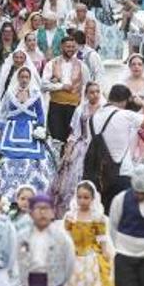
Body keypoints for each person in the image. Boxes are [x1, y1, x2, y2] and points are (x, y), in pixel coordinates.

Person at [87, 84, 144, 213]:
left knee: (103, 217)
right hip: (121, 173)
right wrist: (142, 103)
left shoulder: (93, 117)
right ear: (125, 101)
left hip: (98, 176)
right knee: (122, 218)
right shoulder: (125, 115)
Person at [0, 66, 55, 199]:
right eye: (22, 77)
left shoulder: (35, 94)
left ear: (30, 79)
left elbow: (40, 114)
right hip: (12, 128)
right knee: (5, 156)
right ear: (18, 78)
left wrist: (39, 128)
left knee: (34, 159)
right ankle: (7, 189)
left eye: (27, 77)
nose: (24, 80)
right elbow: (3, 112)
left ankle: (33, 188)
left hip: (30, 129)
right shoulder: (10, 93)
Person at [50, 82, 103, 218]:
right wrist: (68, 151)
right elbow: (75, 133)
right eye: (92, 92)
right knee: (73, 176)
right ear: (86, 94)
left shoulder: (104, 108)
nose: (95, 95)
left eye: (97, 91)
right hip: (83, 145)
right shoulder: (81, 110)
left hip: (99, 146)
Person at [64, 181, 115, 286]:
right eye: (79, 197)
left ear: (93, 199)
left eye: (86, 197)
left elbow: (102, 236)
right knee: (75, 278)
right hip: (75, 250)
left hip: (90, 250)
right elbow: (66, 234)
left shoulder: (97, 217)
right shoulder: (71, 216)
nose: (82, 200)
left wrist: (104, 251)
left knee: (89, 278)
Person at [42, 36, 89, 143]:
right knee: (56, 136)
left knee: (72, 136)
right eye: (68, 46)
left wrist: (83, 105)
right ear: (61, 47)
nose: (70, 49)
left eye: (73, 47)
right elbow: (44, 85)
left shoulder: (82, 65)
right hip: (56, 105)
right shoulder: (52, 63)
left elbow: (86, 86)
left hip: (74, 106)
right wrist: (61, 86)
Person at [8, 185, 36, 286]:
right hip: (14, 255)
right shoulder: (11, 216)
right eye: (22, 198)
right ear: (17, 199)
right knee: (13, 281)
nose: (25, 202)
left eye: (29, 199)